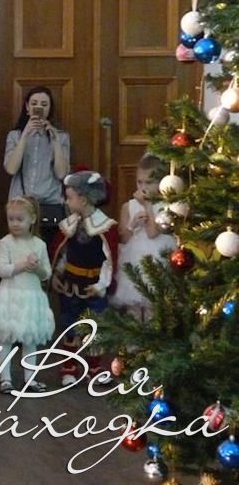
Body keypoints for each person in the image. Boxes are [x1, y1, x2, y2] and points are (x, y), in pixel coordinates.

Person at [51, 170, 118, 387]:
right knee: (70, 326)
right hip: (70, 286)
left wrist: (101, 285)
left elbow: (109, 260)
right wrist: (56, 275)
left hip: (94, 287)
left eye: (69, 197)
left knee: (94, 327)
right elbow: (62, 254)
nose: (66, 201)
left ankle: (94, 367)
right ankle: (69, 366)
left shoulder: (105, 227)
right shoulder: (68, 225)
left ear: (83, 199)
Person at [0, 196, 53, 394]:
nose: (15, 223)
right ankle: (5, 379)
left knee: (30, 340)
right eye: (11, 219)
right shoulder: (5, 243)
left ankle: (30, 379)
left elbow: (47, 273)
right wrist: (22, 265)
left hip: (32, 298)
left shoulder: (39, 244)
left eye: (19, 219)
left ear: (32, 219)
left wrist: (37, 268)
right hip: (10, 297)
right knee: (6, 339)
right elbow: (1, 270)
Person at [3, 87, 71, 249]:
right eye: (34, 104)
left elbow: (61, 173)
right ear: (27, 107)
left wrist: (55, 141)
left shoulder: (61, 137)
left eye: (44, 104)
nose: (38, 107)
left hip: (50, 203)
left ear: (49, 109)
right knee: (21, 252)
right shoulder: (15, 136)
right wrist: (25, 134)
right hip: (21, 205)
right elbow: (11, 169)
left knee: (48, 252)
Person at [114, 155, 175, 323]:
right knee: (133, 307)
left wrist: (148, 206)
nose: (143, 187)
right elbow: (123, 238)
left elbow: (152, 233)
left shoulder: (166, 207)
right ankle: (133, 338)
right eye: (139, 182)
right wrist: (132, 224)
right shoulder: (128, 206)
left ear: (160, 183)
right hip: (135, 261)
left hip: (157, 260)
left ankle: (152, 336)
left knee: (154, 307)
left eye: (148, 183)